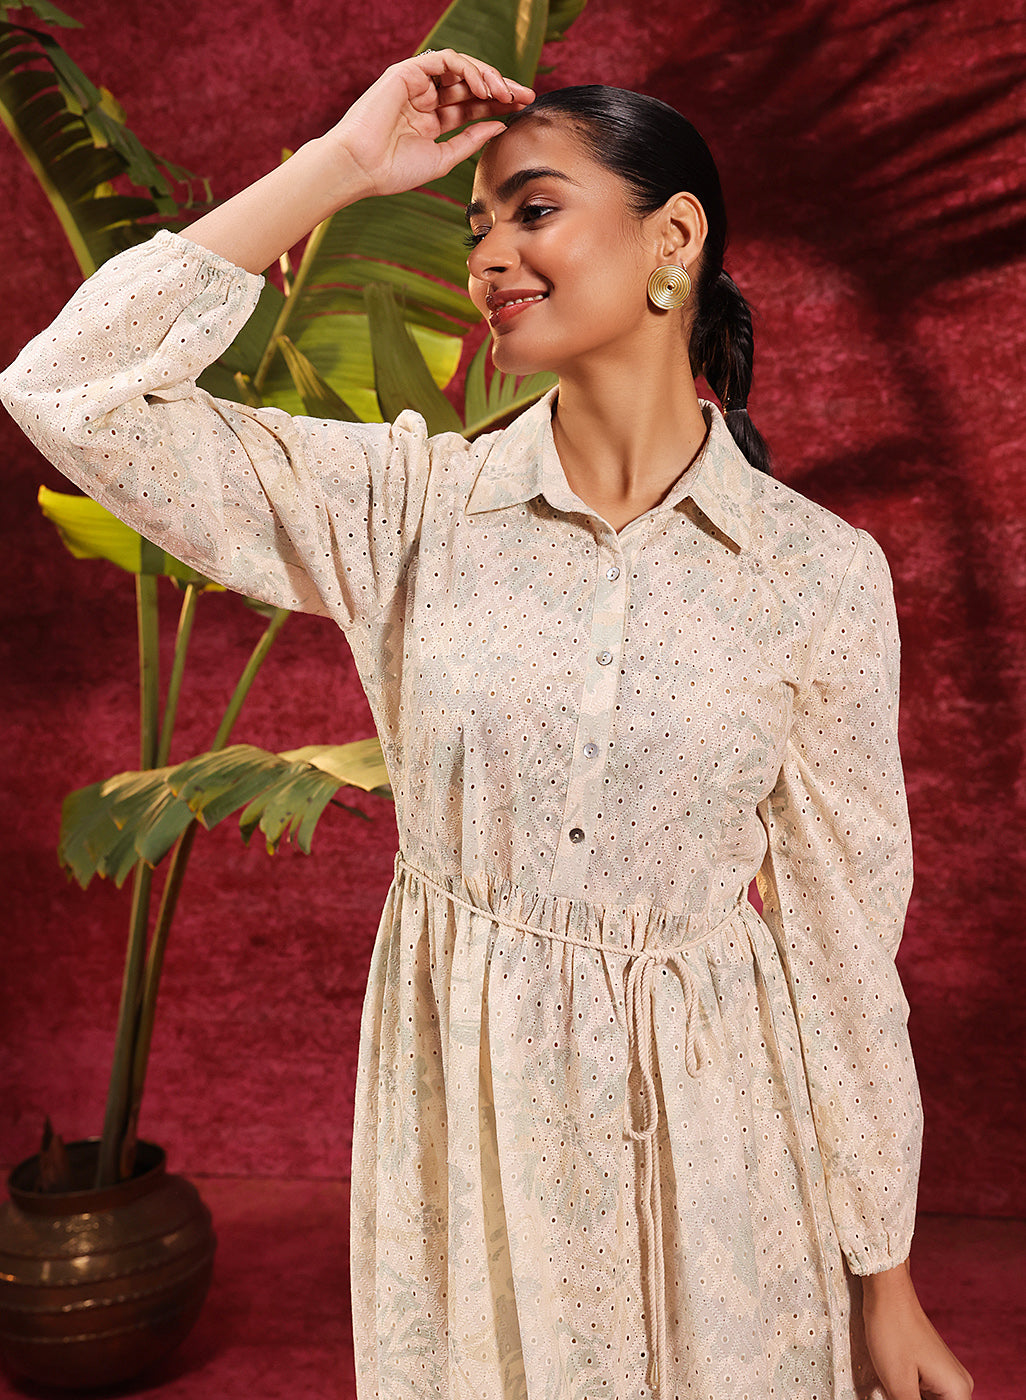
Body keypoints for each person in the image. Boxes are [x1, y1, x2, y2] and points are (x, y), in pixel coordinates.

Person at [0, 49, 973, 1400]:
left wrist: (884, 1275)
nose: (488, 258)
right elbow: (68, 390)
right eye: (475, 228)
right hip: (471, 1142)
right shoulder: (409, 512)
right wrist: (343, 165)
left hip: (727, 1157)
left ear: (673, 238)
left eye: (534, 209)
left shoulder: (815, 577)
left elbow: (841, 940)